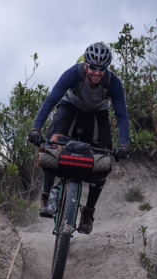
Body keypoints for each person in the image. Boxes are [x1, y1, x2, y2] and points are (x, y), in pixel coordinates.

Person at [28, 42, 130, 234]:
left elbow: (122, 115)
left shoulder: (113, 83)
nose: (97, 73)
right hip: (71, 107)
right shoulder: (73, 74)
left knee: (104, 160)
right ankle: (46, 194)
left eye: (102, 69)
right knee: (53, 142)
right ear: (86, 65)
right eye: (93, 67)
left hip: (97, 114)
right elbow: (51, 100)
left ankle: (88, 211)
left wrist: (124, 145)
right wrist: (35, 129)